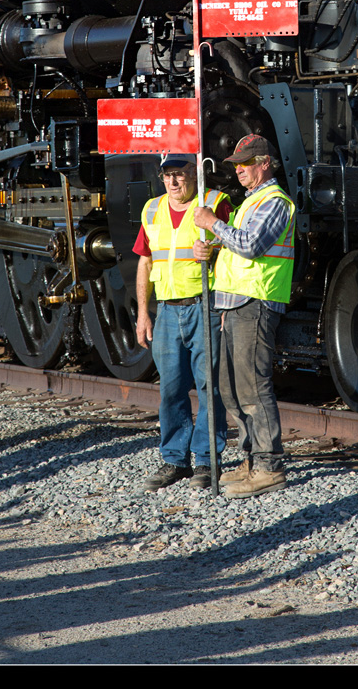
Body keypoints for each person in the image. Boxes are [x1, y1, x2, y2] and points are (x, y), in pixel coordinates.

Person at [193, 134, 295, 499]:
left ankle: (269, 466)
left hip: (256, 301)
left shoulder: (275, 202)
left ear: (265, 162)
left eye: (245, 163)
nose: (238, 170)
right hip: (233, 303)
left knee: (253, 387)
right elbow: (239, 244)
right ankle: (251, 460)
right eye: (235, 164)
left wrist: (212, 225)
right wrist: (214, 247)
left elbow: (252, 246)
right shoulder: (250, 203)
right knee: (230, 389)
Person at [134, 154, 231, 491]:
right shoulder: (152, 209)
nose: (173, 182)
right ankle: (175, 460)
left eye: (180, 174)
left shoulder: (214, 203)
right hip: (168, 312)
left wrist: (214, 252)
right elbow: (145, 262)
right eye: (167, 175)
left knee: (209, 387)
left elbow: (234, 249)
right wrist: (143, 313)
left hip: (206, 307)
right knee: (171, 389)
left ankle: (207, 461)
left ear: (195, 173)